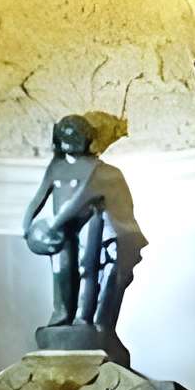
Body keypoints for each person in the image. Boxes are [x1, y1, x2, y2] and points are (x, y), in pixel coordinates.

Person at [20, 114, 146, 340]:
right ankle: (61, 314)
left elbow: (81, 199)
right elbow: (40, 196)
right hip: (58, 230)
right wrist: (26, 224)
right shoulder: (56, 167)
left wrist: (52, 224)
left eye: (76, 136)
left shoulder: (96, 169)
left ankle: (83, 316)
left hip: (88, 221)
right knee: (60, 270)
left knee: (86, 268)